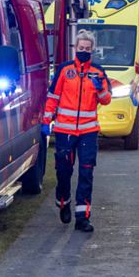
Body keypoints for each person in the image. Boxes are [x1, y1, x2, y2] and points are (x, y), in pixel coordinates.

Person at [42, 29, 112, 232]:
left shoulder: (98, 72)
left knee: (86, 172)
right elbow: (53, 97)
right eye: (81, 48)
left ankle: (83, 217)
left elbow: (106, 100)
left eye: (87, 49)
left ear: (92, 50)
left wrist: (100, 88)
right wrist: (47, 121)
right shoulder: (64, 70)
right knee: (63, 172)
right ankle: (63, 202)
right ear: (75, 48)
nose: (84, 51)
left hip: (88, 132)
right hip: (64, 130)